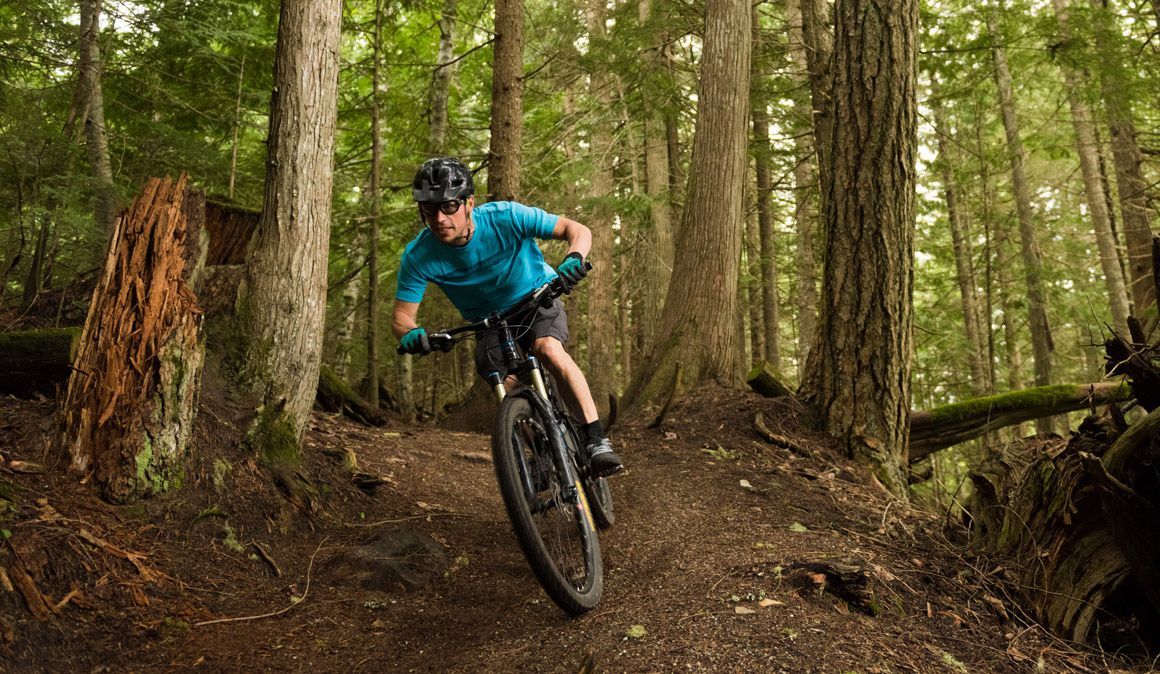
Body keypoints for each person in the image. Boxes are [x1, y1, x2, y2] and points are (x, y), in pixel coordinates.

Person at [391, 157, 624, 478]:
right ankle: (544, 452)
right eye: (429, 210)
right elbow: (403, 317)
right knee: (505, 385)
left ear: (468, 203)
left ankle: (596, 441)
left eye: (448, 207)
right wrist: (412, 334)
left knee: (548, 349)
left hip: (536, 297)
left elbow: (576, 230)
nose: (439, 218)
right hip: (489, 322)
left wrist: (574, 258)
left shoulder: (505, 217)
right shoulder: (419, 256)